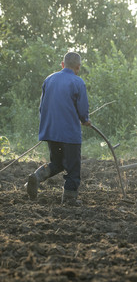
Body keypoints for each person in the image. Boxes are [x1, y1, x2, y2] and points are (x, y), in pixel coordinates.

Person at [26, 52, 92, 206]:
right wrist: (85, 120)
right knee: (73, 168)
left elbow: (42, 107)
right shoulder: (78, 82)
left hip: (50, 130)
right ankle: (69, 199)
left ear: (62, 64)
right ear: (78, 67)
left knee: (57, 163)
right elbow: (83, 111)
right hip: (69, 134)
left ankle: (37, 176)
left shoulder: (49, 79)